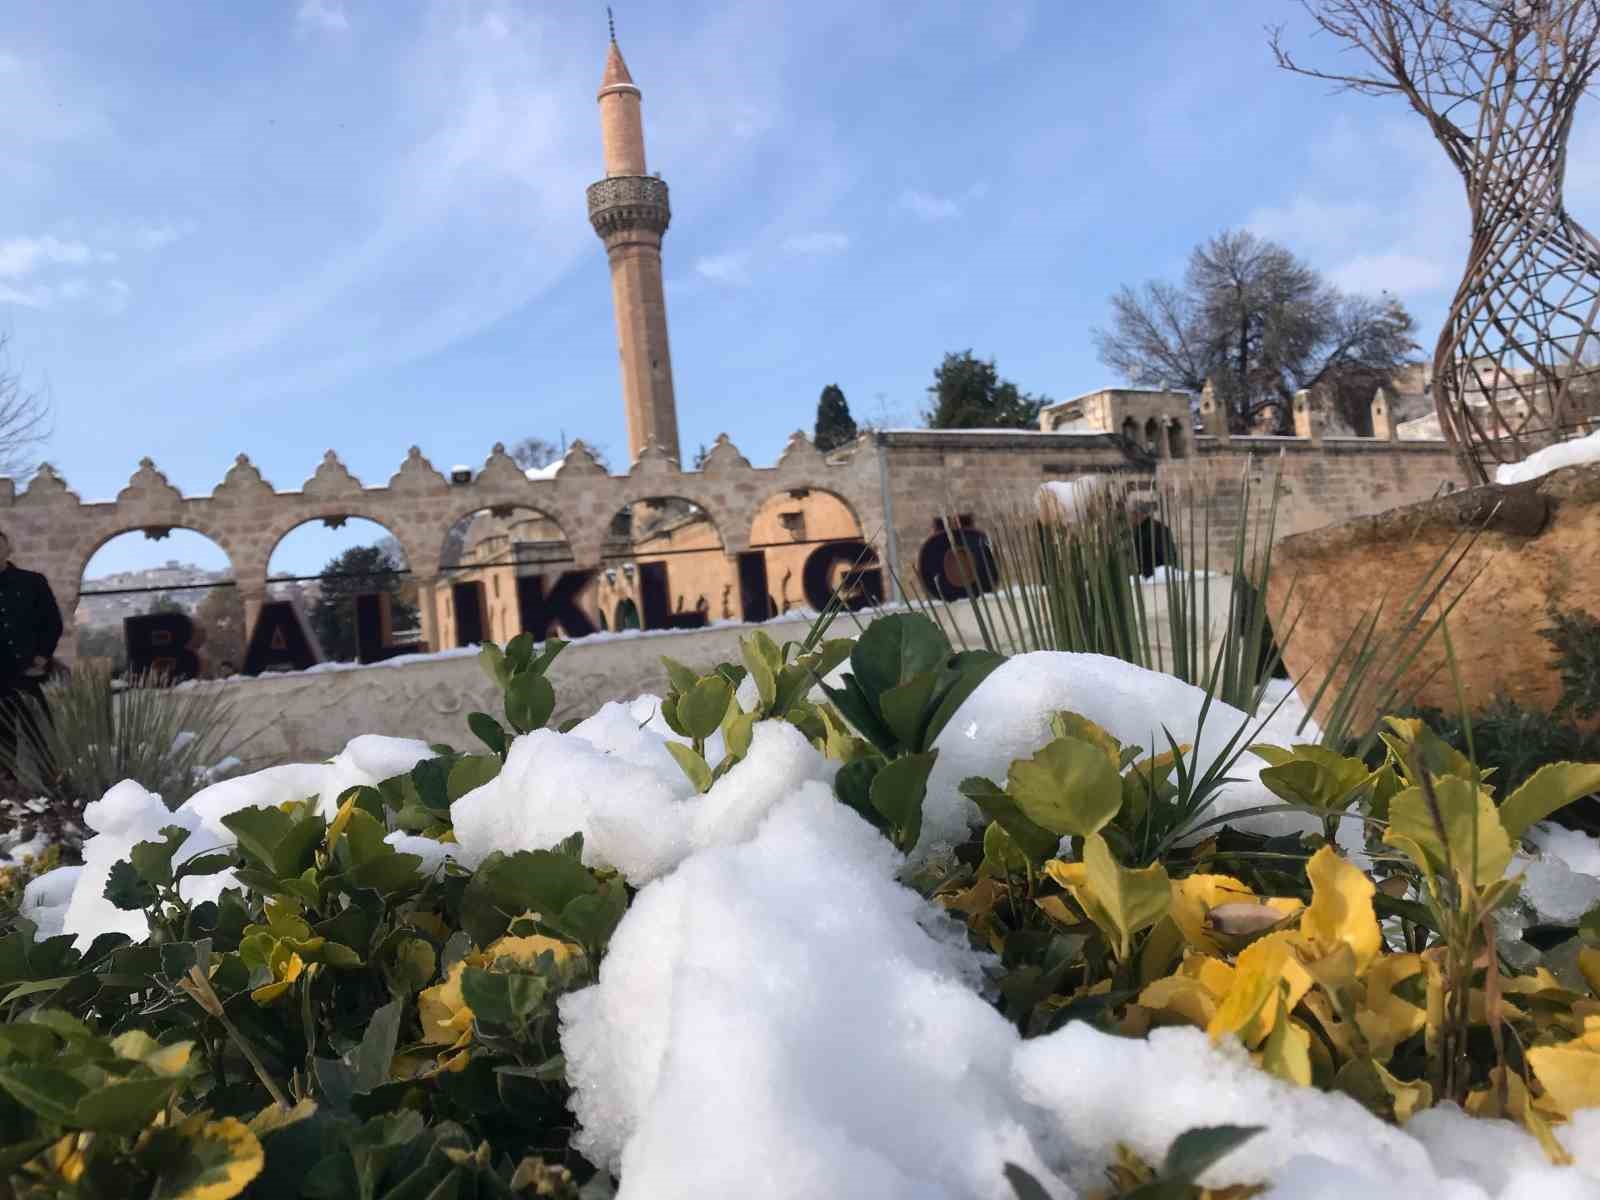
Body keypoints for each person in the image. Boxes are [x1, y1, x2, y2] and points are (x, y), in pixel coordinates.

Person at [0, 530, 63, 764]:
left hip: (30, 674)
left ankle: (50, 796)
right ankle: (7, 797)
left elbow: (52, 622)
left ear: (8, 549)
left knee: (41, 739)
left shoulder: (32, 582)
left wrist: (42, 656)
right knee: (3, 745)